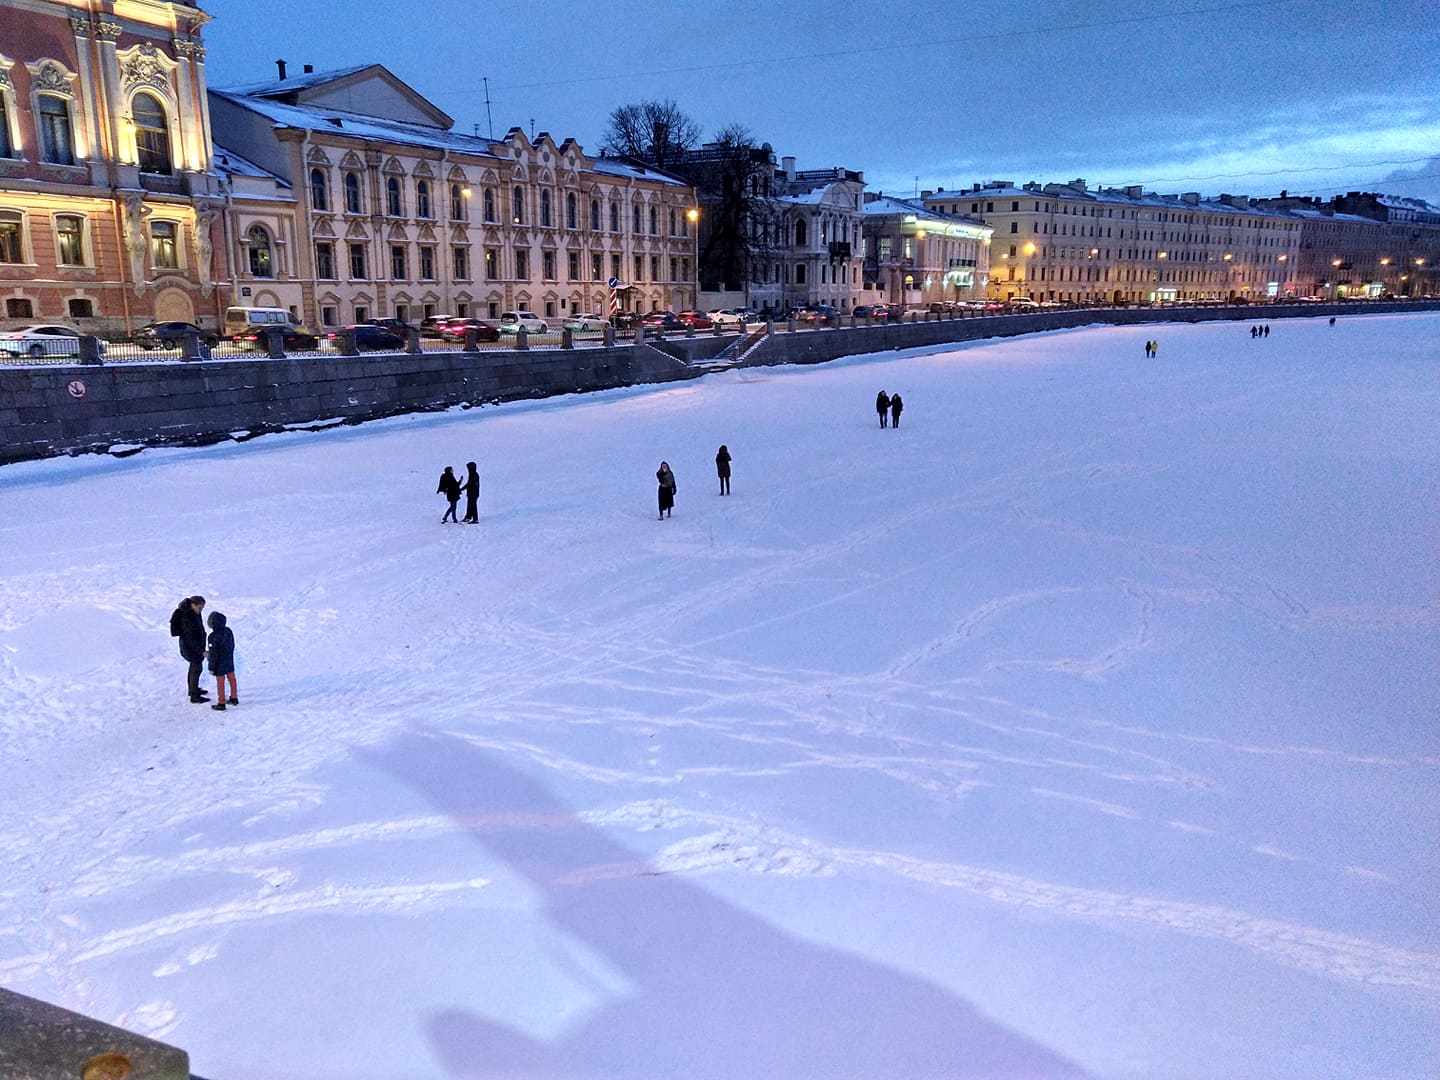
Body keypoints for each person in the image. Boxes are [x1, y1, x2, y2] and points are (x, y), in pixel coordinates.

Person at [169, 595, 208, 703]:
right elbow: (191, 638)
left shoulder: (193, 613)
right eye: (200, 608)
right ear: (192, 605)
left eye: (202, 608)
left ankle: (193, 690)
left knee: (194, 668)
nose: (201, 610)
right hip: (190, 648)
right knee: (196, 669)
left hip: (193, 647)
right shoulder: (188, 618)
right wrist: (202, 651)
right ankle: (194, 696)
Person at [207, 610, 238, 711]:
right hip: (229, 659)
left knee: (220, 682)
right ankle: (234, 698)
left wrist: (211, 666)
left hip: (219, 663)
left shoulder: (212, 637)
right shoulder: (228, 631)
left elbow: (213, 654)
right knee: (232, 679)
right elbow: (232, 644)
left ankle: (221, 702)